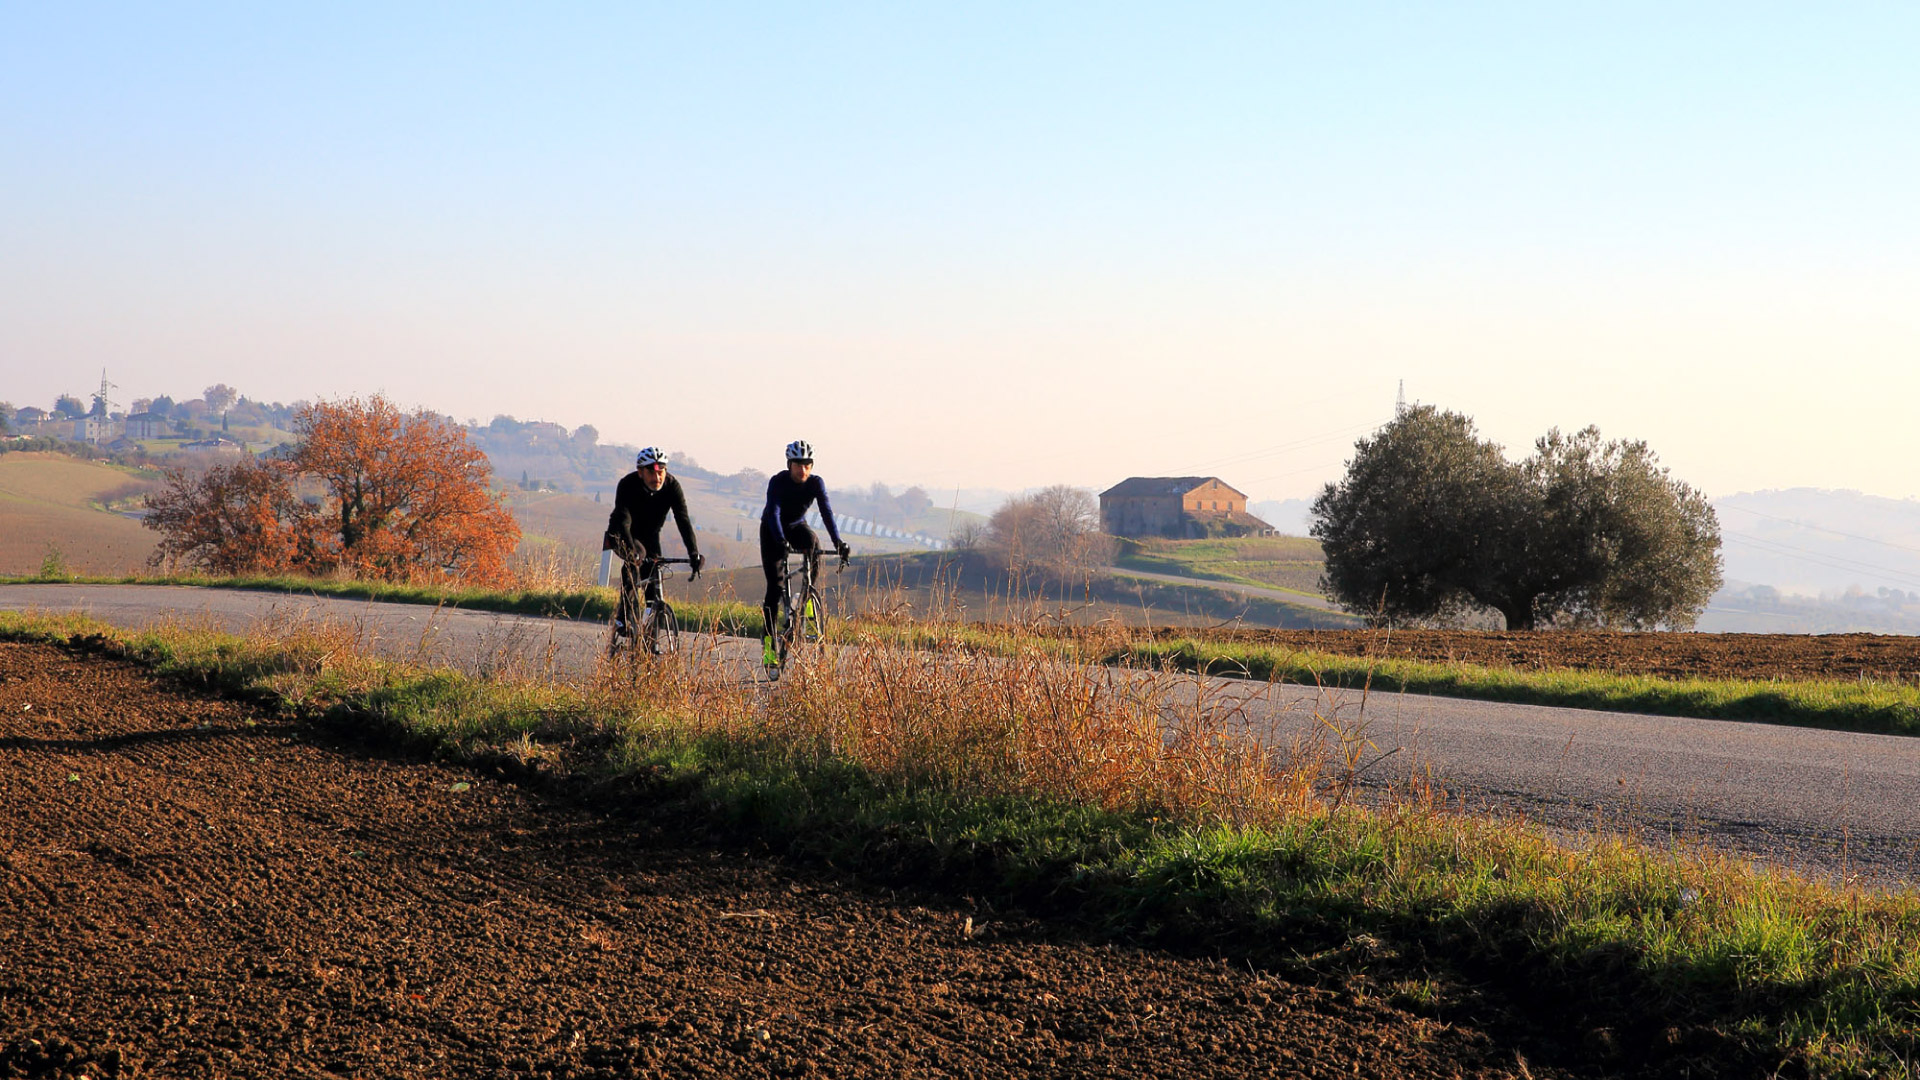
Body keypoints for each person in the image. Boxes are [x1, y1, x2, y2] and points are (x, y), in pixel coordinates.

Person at [759, 439, 850, 663]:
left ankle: (805, 594)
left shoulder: (816, 483)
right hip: (773, 529)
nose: (803, 469)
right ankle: (769, 646)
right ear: (789, 464)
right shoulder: (778, 482)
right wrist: (780, 540)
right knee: (774, 587)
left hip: (797, 526)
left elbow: (826, 512)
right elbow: (774, 512)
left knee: (814, 544)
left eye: (808, 464)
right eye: (798, 464)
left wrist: (838, 542)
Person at [604, 447, 703, 636]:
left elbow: (683, 520)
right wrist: (631, 551)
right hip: (622, 532)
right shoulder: (627, 484)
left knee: (653, 575)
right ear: (640, 472)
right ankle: (622, 618)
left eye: (660, 472)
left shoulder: (672, 486)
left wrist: (693, 553)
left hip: (650, 535)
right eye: (651, 472)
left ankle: (649, 636)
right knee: (636, 561)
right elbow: (624, 520)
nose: (656, 478)